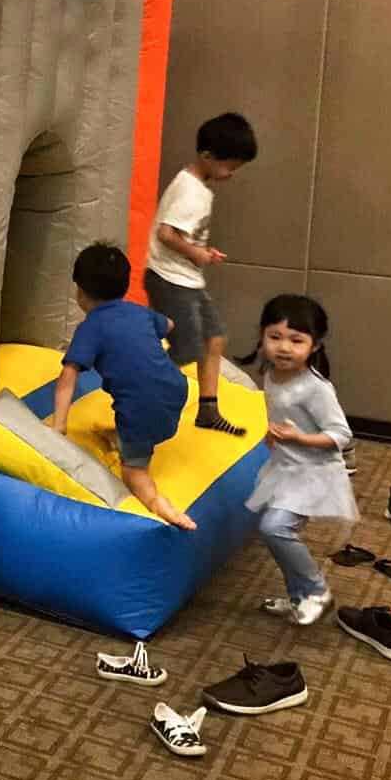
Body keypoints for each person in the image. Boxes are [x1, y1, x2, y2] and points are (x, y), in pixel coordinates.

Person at [50, 243, 196, 531]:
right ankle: (122, 435)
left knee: (133, 469)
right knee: (138, 412)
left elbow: (68, 375)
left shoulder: (91, 327)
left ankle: (158, 503)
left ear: (80, 291)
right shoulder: (138, 312)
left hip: (142, 408)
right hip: (177, 390)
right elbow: (168, 324)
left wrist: (59, 425)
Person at [243, 294, 356, 626]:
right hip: (286, 468)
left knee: (275, 527)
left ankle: (316, 590)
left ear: (315, 346)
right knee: (273, 532)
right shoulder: (271, 374)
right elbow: (278, 412)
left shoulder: (315, 389)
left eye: (296, 340)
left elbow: (341, 435)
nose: (284, 347)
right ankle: (299, 597)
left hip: (315, 473)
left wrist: (299, 439)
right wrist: (272, 436)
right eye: (274, 337)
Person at [144, 112, 258, 437]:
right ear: (207, 156)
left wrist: (203, 252)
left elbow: (183, 233)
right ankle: (143, 388)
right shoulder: (190, 191)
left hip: (187, 278)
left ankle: (208, 410)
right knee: (186, 349)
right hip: (170, 279)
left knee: (215, 337)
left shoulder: (197, 186)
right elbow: (166, 233)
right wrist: (196, 253)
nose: (232, 174)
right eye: (230, 166)